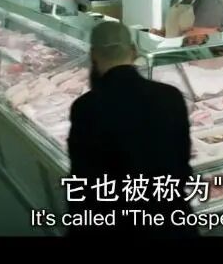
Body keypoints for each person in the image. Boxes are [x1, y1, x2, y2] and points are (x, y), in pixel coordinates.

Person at [67, 21, 198, 237]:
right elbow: (182, 168)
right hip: (169, 222)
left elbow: (82, 183)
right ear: (134, 51)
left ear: (93, 55)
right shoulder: (170, 96)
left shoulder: (85, 107)